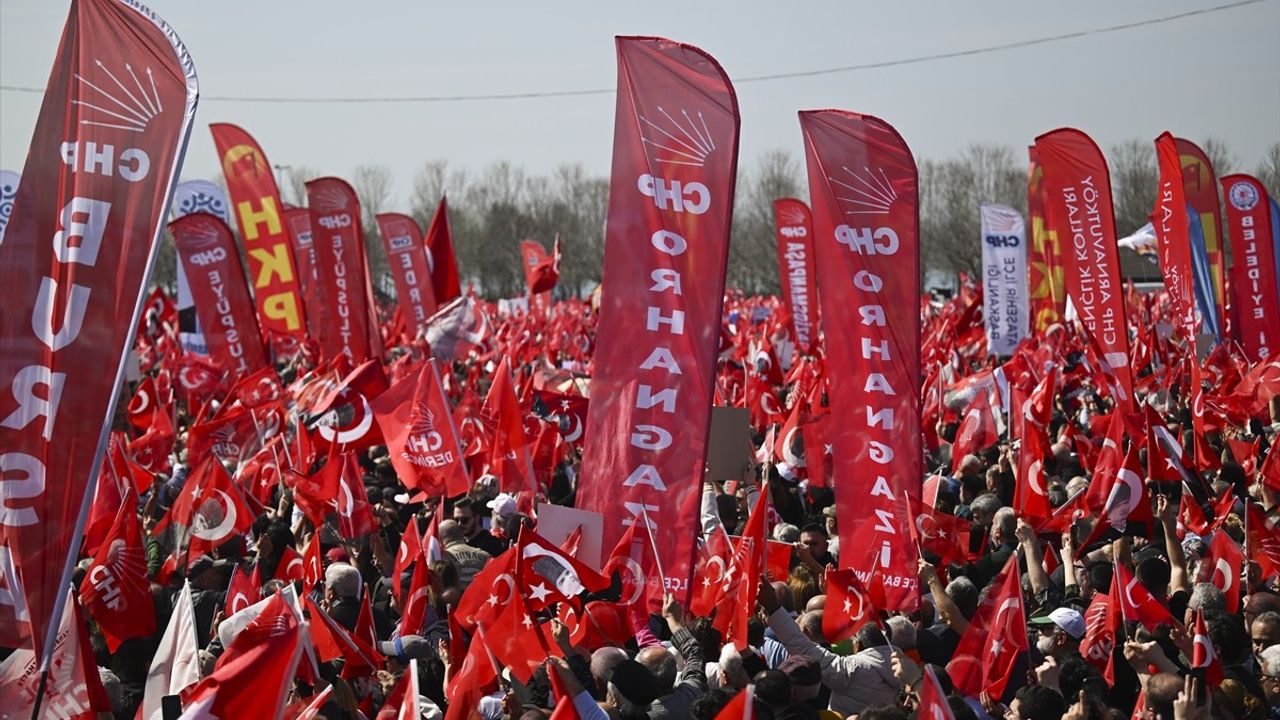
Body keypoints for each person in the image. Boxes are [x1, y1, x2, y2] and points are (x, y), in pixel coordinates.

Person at [757, 579, 916, 715]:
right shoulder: (910, 672)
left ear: (858, 644)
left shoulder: (852, 670)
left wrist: (773, 608)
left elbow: (803, 647)